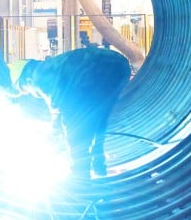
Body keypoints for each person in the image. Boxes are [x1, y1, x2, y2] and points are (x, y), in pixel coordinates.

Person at [15, 47, 131, 179]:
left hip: (95, 71)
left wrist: (54, 136)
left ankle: (80, 175)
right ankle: (99, 164)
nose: (30, 94)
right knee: (100, 116)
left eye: (25, 90)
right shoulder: (50, 66)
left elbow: (58, 107)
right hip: (120, 66)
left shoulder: (38, 77)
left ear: (26, 81)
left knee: (74, 124)